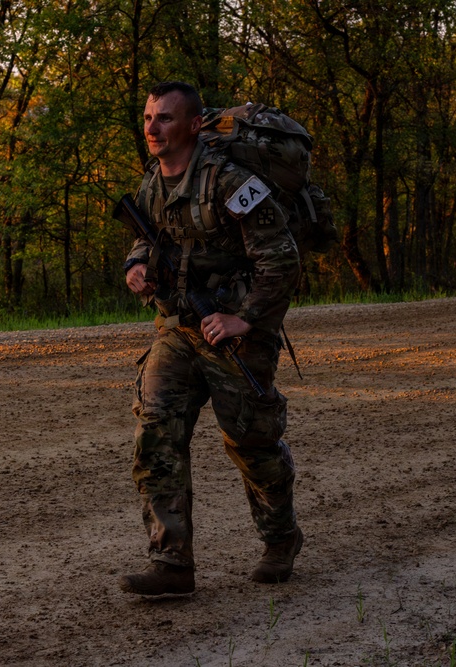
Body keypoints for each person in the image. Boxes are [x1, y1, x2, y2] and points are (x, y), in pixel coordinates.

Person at [118, 81, 303, 596]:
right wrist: (136, 266)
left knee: (251, 442)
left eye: (166, 119)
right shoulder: (152, 182)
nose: (153, 128)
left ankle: (281, 538)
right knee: (155, 432)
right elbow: (146, 236)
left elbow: (282, 259)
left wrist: (244, 318)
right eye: (150, 117)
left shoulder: (232, 182)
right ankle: (171, 563)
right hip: (177, 329)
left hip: (235, 335)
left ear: (194, 125)